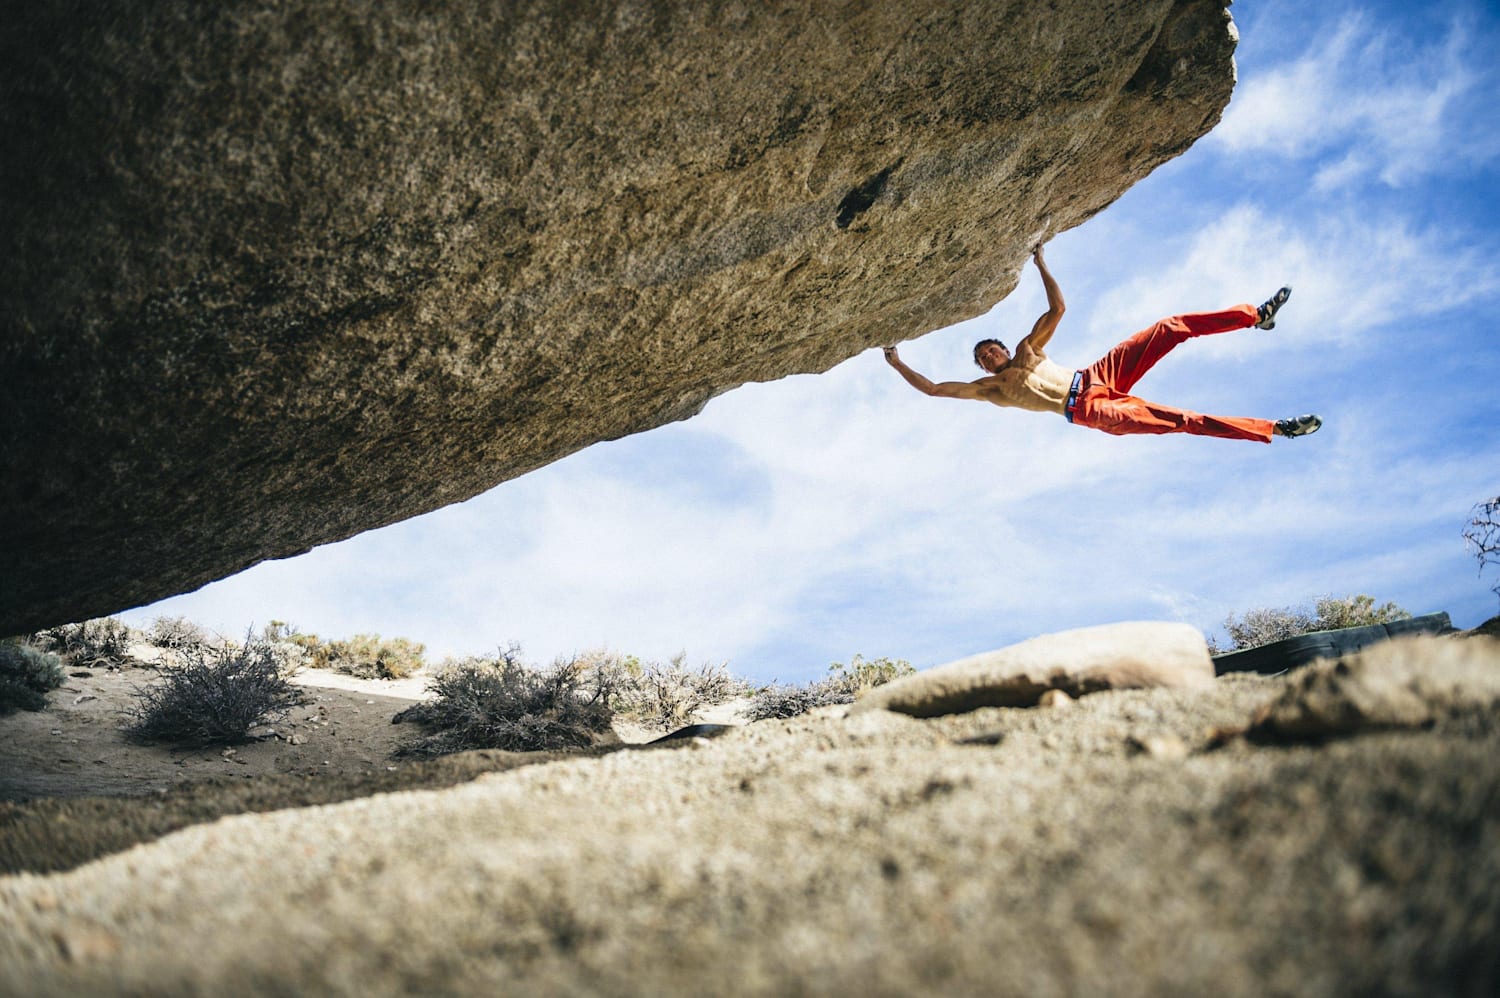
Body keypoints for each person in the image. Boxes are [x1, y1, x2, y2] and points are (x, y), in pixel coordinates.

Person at [882, 244, 1321, 443]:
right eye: (982, 359)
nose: (988, 357)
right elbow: (935, 389)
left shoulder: (1026, 350)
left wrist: (1040, 261)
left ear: (1001, 348)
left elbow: (1058, 310)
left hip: (1096, 376)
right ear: (982, 369)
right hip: (1088, 409)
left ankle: (1255, 317)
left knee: (1168, 327)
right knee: (1182, 419)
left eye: (990, 350)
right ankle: (1275, 429)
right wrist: (895, 360)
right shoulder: (989, 390)